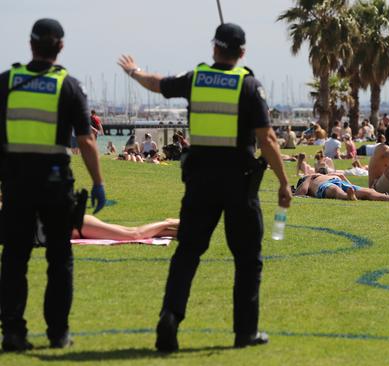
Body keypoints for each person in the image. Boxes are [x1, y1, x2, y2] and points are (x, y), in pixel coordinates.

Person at [118, 22, 291, 351]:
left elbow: (157, 83)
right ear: (242, 53)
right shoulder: (248, 85)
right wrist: (283, 181)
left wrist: (134, 71)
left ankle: (170, 316)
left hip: (200, 182)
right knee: (247, 259)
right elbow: (266, 138)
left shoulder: (196, 78)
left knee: (187, 253)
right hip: (240, 184)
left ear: (214, 48)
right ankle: (245, 332)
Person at [0, 19, 106, 351]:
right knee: (59, 258)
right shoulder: (68, 86)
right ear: (60, 47)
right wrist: (99, 183)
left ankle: (13, 332)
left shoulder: (7, 82)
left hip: (15, 181)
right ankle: (58, 332)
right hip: (56, 182)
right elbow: (87, 141)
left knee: (14, 258)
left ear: (30, 44)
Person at [294, 173, 389, 202]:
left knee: (369, 191)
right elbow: (300, 193)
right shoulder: (310, 181)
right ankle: (348, 196)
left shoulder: (326, 174)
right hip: (325, 186)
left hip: (341, 183)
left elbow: (341, 175)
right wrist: (309, 177)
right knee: (335, 191)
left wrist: (351, 186)